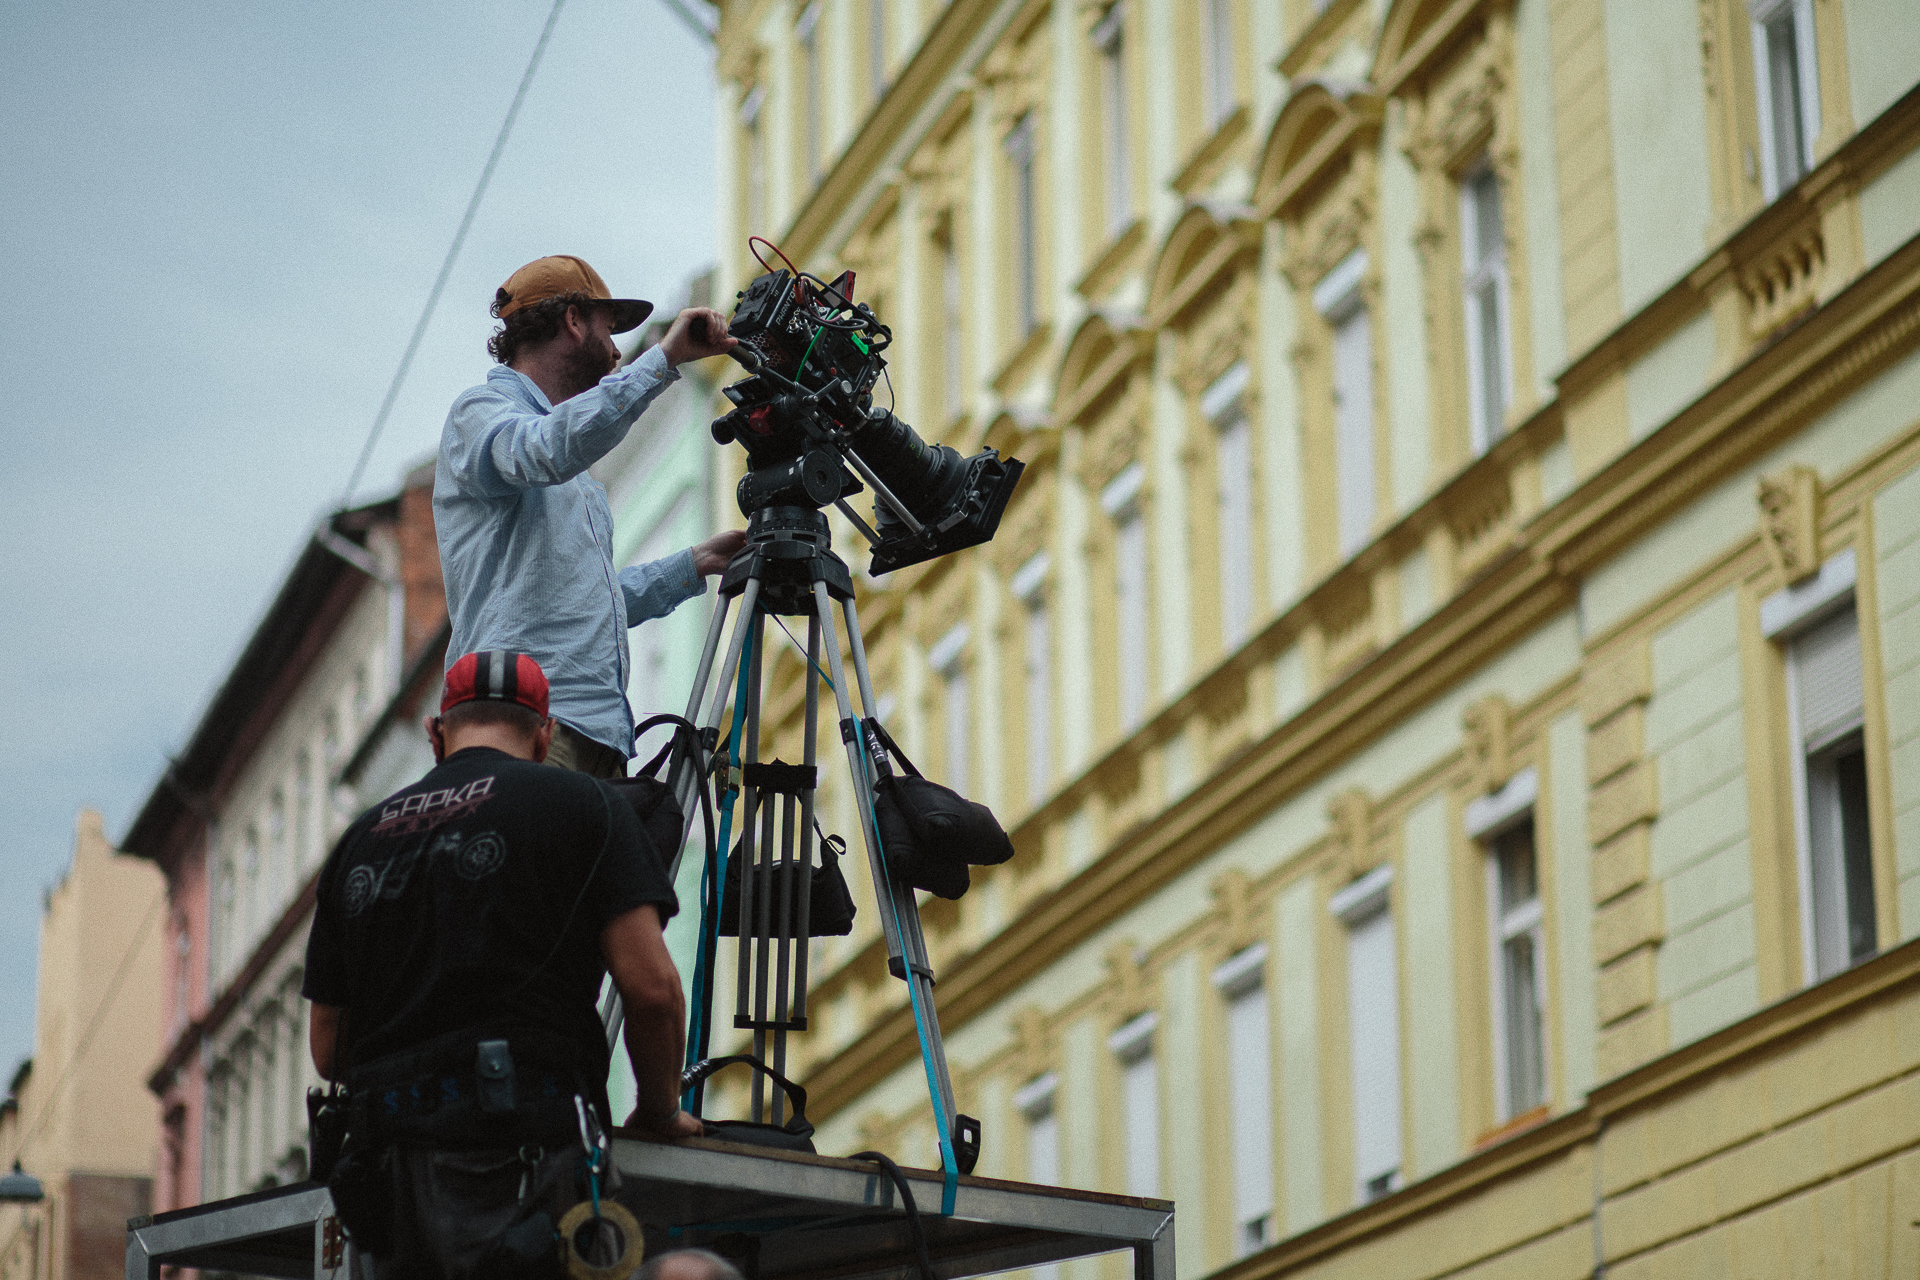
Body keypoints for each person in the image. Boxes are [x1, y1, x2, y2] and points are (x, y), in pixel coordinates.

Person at [303, 650, 703, 1279]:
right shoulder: (586, 806)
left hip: (392, 1176)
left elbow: (328, 1049)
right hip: (533, 1160)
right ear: (545, 737)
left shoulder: (361, 839)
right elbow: (651, 991)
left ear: (438, 735)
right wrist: (658, 1108)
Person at [436, 254, 748, 780]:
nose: (616, 349)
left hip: (597, 735)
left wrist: (697, 562)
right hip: (524, 723)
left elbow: (587, 605)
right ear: (574, 322)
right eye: (608, 329)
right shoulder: (480, 415)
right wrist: (662, 360)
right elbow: (544, 449)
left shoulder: (573, 467)